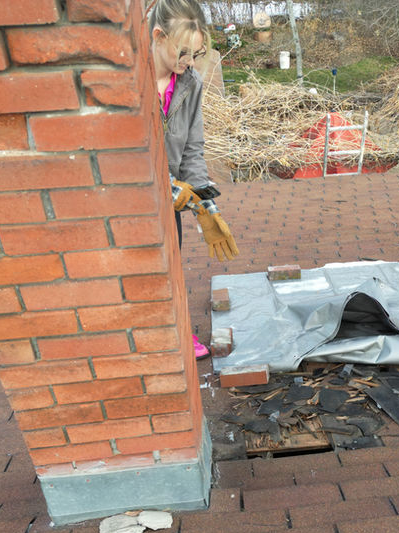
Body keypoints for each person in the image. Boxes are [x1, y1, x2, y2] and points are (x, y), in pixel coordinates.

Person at [149, 0, 239, 358]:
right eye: (182, 52)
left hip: (170, 199)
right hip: (134, 197)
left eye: (196, 53)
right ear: (158, 37)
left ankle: (178, 333)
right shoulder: (130, 81)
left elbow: (191, 150)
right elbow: (129, 152)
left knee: (171, 267)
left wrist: (206, 206)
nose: (189, 61)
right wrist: (170, 188)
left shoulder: (189, 83)